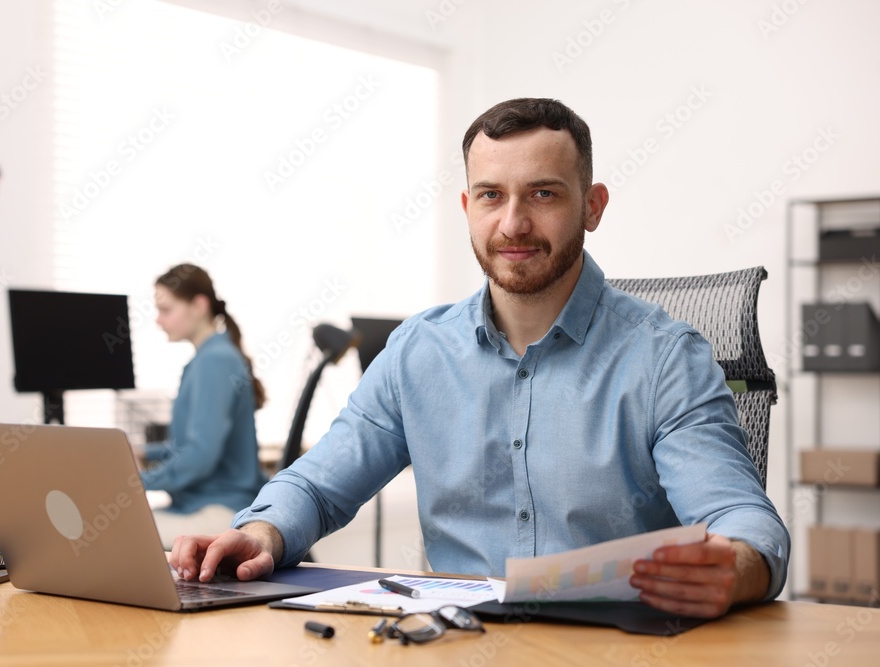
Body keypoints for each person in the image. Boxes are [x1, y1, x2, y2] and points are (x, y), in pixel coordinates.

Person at [169, 98, 790, 619]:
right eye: (491, 195)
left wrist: (737, 565)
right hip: (458, 640)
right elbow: (318, 485)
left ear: (593, 205)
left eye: (543, 193)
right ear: (469, 208)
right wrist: (261, 534)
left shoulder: (665, 360)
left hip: (615, 646)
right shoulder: (417, 352)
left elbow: (738, 516)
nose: (513, 223)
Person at [140, 263, 267, 548]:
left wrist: (136, 482)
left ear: (198, 305)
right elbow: (189, 444)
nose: (158, 320)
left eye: (166, 309)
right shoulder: (207, 359)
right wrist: (142, 453)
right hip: (199, 504)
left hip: (221, 509)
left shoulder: (215, 360)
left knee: (107, 533)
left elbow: (201, 455)